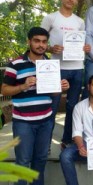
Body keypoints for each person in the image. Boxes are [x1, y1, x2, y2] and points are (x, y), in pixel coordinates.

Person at [1, 27, 69, 185]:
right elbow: (4, 89)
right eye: (37, 41)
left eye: (44, 42)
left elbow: (52, 94)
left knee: (40, 160)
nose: (41, 45)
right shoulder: (15, 64)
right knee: (23, 161)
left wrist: (61, 88)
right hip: (23, 122)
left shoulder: (51, 65)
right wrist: (22, 86)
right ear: (29, 41)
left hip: (45, 121)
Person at [41, 0, 90, 149]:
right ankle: (45, 144)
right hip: (56, 68)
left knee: (72, 107)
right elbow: (37, 43)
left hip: (77, 68)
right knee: (52, 106)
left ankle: (67, 140)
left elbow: (80, 44)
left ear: (77, 0)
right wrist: (50, 48)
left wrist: (84, 48)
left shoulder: (79, 22)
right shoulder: (50, 18)